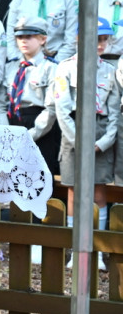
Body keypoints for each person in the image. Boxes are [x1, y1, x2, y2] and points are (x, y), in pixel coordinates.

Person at [53, 17, 119, 265]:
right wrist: (77, 141)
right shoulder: (66, 67)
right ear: (80, 38)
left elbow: (113, 113)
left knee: (99, 190)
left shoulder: (110, 71)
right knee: (73, 191)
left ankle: (99, 250)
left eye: (104, 39)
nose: (100, 44)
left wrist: (104, 142)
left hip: (101, 133)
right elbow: (62, 108)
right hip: (74, 131)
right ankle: (75, 250)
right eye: (95, 38)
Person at [0, 17, 60, 177]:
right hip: (12, 125)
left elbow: (51, 108)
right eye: (20, 37)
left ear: (43, 39)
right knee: (12, 179)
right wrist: (6, 131)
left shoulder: (51, 68)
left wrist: (30, 135)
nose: (23, 41)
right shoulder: (10, 67)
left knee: (38, 178)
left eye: (29, 37)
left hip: (40, 130)